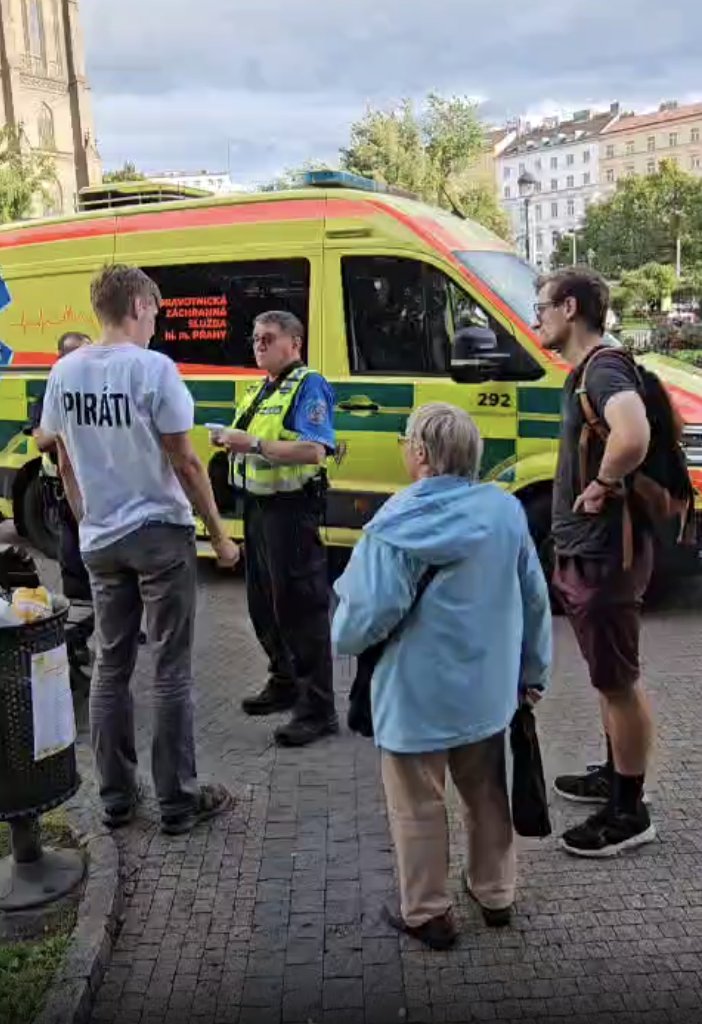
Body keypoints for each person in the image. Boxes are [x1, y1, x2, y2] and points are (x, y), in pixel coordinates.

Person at [332, 403, 551, 950]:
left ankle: (428, 912)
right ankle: (495, 892)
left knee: (417, 804)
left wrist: (342, 632)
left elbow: (358, 624)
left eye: (409, 442)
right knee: (486, 794)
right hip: (487, 693)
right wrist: (533, 670)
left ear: (422, 454)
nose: (406, 449)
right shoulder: (505, 513)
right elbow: (534, 600)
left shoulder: (394, 526)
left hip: (414, 697)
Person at [37, 264, 239, 835]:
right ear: (138, 306)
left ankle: (116, 799)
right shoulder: (153, 369)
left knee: (111, 663)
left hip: (100, 539)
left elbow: (60, 451)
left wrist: (85, 517)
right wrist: (220, 536)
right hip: (158, 533)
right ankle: (178, 800)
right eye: (155, 308)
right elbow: (185, 458)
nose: (158, 318)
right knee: (170, 668)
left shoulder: (64, 372)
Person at [535, 267, 656, 857]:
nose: (537, 319)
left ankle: (629, 813)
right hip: (591, 551)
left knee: (618, 684)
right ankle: (616, 774)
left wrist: (603, 483)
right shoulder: (589, 371)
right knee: (609, 679)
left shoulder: (605, 367)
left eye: (542, 307)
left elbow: (632, 434)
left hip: (605, 553)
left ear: (571, 308)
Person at [211, 310, 338, 748]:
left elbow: (315, 450)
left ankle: (317, 708)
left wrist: (254, 444)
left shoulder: (308, 385)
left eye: (268, 338)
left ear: (295, 344)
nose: (259, 344)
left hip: (291, 512)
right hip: (258, 511)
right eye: (255, 338)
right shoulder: (261, 388)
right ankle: (284, 682)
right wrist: (229, 439)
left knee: (301, 609)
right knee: (263, 604)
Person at [28, 332, 93, 663]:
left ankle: (115, 624)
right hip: (64, 496)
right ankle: (77, 639)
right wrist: (70, 429)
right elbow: (41, 441)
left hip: (97, 491)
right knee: (74, 565)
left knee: (110, 563)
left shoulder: (92, 391)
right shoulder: (50, 395)